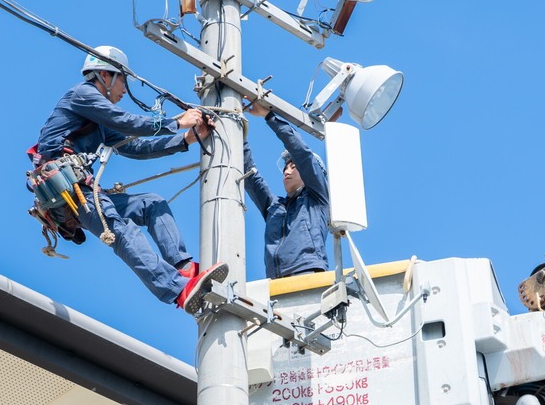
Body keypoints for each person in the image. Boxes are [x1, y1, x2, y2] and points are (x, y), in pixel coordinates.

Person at [32, 46, 227, 314]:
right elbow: (125, 121)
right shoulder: (83, 95)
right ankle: (178, 291)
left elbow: (134, 147)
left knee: (152, 204)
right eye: (123, 80)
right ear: (105, 75)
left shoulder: (98, 119)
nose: (125, 89)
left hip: (80, 190)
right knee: (121, 230)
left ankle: (183, 270)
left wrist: (186, 139)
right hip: (70, 190)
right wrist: (176, 122)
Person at [241, 101, 330, 279]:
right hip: (276, 281)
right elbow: (250, 177)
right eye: (284, 169)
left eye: (293, 167)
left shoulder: (317, 198)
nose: (287, 172)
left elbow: (301, 153)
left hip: (308, 272)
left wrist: (268, 116)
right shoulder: (274, 207)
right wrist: (239, 135)